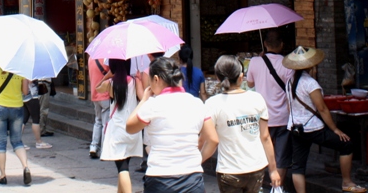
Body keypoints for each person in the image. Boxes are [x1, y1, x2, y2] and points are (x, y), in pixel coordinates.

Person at [127, 57, 219, 193]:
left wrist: (144, 100)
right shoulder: (196, 103)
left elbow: (130, 127)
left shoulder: (152, 104)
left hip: (160, 178)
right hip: (192, 178)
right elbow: (213, 139)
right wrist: (197, 160)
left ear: (156, 79)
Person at [282, 46, 366, 193]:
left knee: (298, 166)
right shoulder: (310, 83)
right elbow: (322, 108)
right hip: (311, 128)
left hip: (295, 128)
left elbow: (289, 107)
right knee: (346, 145)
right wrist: (335, 129)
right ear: (311, 66)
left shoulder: (290, 81)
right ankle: (346, 182)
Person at [207, 55, 280, 193]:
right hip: (256, 168)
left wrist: (197, 160)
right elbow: (265, 137)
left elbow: (210, 139)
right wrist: (273, 170)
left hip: (229, 170)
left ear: (218, 78)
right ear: (241, 77)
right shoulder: (257, 99)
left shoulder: (212, 104)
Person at [246, 28, 294, 184]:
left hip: (263, 117)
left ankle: (260, 184)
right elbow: (291, 88)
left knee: (262, 152)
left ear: (265, 44)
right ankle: (277, 188)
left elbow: (250, 83)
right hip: (283, 117)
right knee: (282, 156)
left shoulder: (254, 61)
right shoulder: (288, 64)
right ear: (281, 45)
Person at [96, 58, 144, 193]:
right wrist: (140, 79)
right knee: (124, 164)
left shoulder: (110, 83)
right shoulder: (135, 81)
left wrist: (108, 75)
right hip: (132, 128)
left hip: (117, 129)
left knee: (122, 169)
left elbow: (97, 89)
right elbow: (142, 97)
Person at [0, 60, 32, 185]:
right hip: (17, 107)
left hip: (0, 107)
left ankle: (2, 175)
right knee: (17, 141)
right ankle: (25, 166)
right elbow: (25, 92)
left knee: (1, 142)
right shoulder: (21, 67)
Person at [88, 57, 111, 159]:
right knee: (105, 123)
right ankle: (104, 150)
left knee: (98, 121)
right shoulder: (106, 59)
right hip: (104, 94)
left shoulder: (90, 59)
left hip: (95, 93)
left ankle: (93, 146)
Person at [23, 80, 52, 149]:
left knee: (24, 119)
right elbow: (27, 83)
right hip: (32, 96)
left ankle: (18, 142)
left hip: (24, 97)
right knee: (36, 119)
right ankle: (38, 141)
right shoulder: (27, 75)